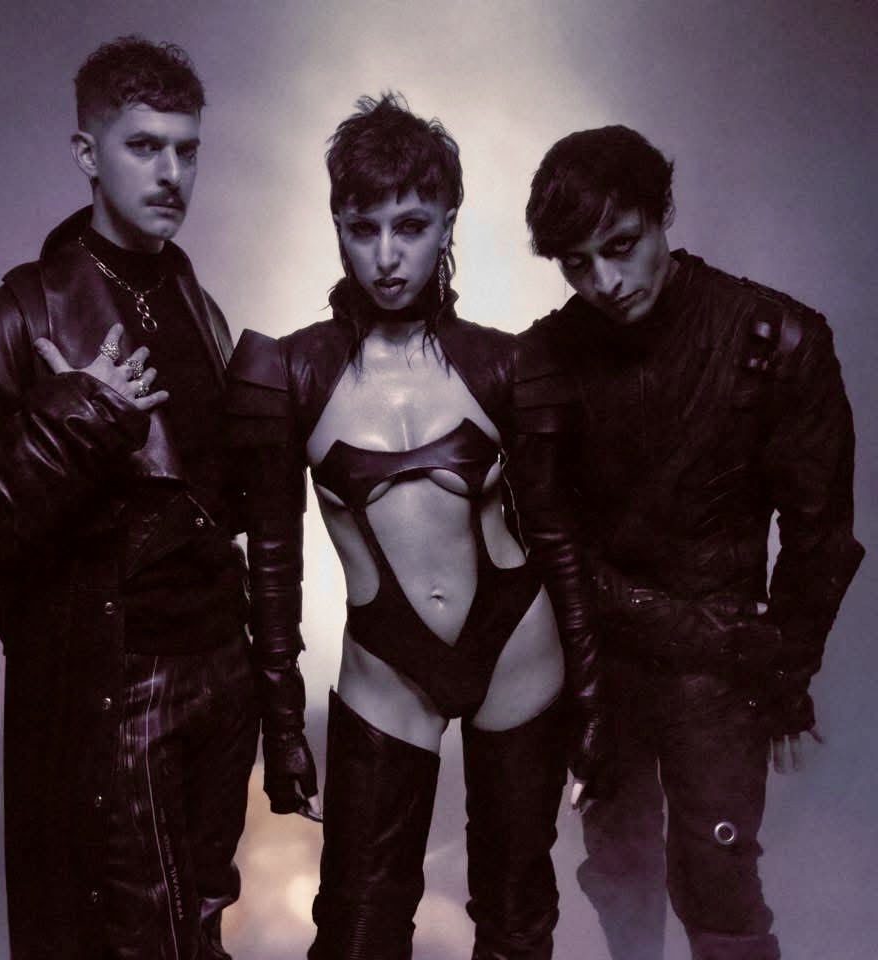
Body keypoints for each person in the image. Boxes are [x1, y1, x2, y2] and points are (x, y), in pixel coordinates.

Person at [224, 94, 610, 960]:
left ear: (448, 224)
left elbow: (559, 539)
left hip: (518, 649)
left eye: (411, 225)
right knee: (359, 926)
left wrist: (593, 696)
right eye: (363, 229)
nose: (387, 256)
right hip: (386, 666)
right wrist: (281, 727)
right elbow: (272, 564)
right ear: (336, 225)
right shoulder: (286, 372)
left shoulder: (510, 363)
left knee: (516, 916)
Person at [0, 36, 261, 959]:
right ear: (87, 155)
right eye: (144, 146)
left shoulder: (195, 302)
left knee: (200, 923)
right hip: (121, 681)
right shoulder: (19, 317)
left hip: (218, 670)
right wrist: (75, 420)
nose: (172, 174)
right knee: (142, 939)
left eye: (187, 149)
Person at [519, 125, 864, 960]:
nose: (605, 282)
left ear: (662, 210)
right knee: (620, 869)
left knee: (717, 879)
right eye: (576, 264)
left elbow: (820, 536)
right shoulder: (544, 358)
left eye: (621, 245)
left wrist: (784, 673)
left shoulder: (779, 340)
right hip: (603, 660)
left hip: (720, 673)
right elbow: (540, 534)